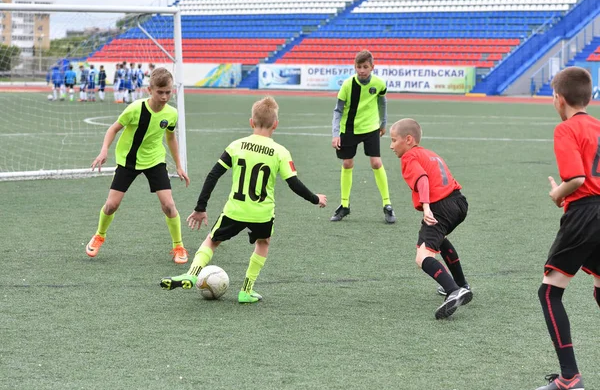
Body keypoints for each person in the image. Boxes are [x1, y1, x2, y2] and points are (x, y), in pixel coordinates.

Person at [160, 96, 327, 303]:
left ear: (251, 122)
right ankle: (246, 290)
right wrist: (315, 198)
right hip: (262, 213)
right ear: (275, 124)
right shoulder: (280, 152)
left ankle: (192, 273)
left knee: (212, 240)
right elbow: (294, 183)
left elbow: (213, 175)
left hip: (235, 210)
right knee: (263, 242)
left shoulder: (236, 145)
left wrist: (200, 207)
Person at [533, 66, 600, 390]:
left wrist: (557, 193)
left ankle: (570, 376)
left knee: (549, 291)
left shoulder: (567, 130)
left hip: (585, 214)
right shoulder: (599, 126)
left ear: (559, 99)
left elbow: (576, 178)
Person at [86, 67, 190, 264]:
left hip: (155, 160)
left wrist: (179, 165)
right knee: (111, 205)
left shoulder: (171, 113)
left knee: (168, 205)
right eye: (160, 92)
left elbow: (171, 138)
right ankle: (99, 235)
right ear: (150, 90)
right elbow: (113, 129)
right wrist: (104, 150)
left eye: (168, 92)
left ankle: (178, 246)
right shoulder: (135, 108)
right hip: (128, 160)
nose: (165, 97)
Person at [389, 118, 472, 319]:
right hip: (459, 203)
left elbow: (423, 179)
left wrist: (426, 206)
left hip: (439, 207)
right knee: (439, 240)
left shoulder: (409, 157)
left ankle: (454, 291)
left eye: (393, 140)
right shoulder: (429, 153)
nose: (391, 146)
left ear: (408, 139)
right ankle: (462, 284)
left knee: (422, 257)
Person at [330, 50, 396, 224]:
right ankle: (344, 205)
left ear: (372, 67)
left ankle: (387, 205)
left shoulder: (379, 84)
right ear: (355, 67)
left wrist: (383, 123)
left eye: (365, 67)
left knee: (376, 162)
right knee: (347, 162)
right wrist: (336, 134)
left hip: (370, 128)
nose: (362, 70)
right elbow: (338, 111)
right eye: (359, 67)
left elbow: (382, 102)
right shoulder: (347, 85)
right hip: (349, 129)